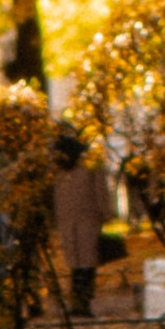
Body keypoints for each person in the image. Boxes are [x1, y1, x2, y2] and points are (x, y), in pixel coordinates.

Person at [50, 125, 116, 315]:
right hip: (89, 217)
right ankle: (84, 302)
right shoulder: (91, 164)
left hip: (66, 219)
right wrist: (107, 213)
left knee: (74, 262)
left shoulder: (58, 168)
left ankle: (75, 303)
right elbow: (100, 191)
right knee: (88, 261)